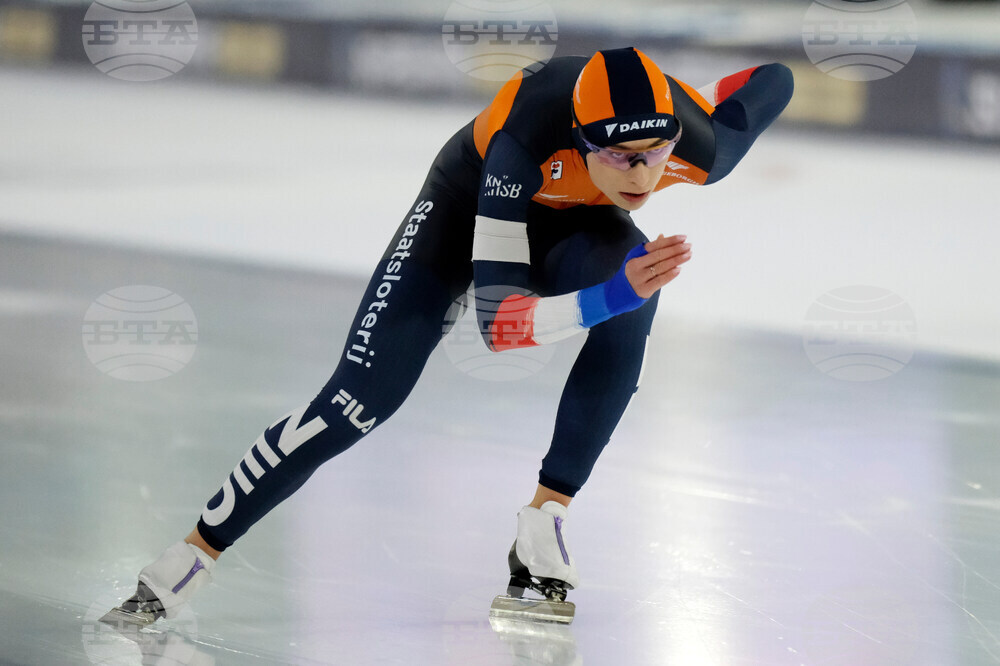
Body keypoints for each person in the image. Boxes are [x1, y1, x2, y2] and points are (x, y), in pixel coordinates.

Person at [103, 47, 793, 625]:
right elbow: (500, 329)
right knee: (359, 400)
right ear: (583, 140)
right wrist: (615, 292)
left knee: (636, 292)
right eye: (620, 155)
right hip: (467, 208)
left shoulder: (701, 147)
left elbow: (774, 80)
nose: (642, 173)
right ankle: (193, 554)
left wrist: (687, 104)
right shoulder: (523, 140)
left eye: (656, 150)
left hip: (577, 229)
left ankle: (544, 521)